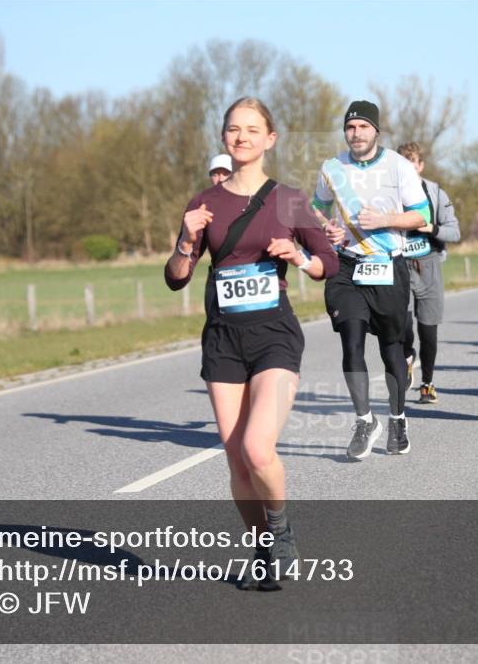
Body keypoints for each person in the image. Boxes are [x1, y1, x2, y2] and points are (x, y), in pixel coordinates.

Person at [165, 97, 338, 589]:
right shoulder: (205, 204)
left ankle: (282, 534)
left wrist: (299, 256)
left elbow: (329, 262)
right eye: (233, 129)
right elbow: (176, 278)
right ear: (224, 137)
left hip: (274, 337)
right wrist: (184, 239)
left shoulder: (289, 200)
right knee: (235, 457)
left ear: (269, 139)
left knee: (258, 448)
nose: (241, 137)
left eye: (251, 129)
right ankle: (263, 550)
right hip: (223, 337)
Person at [313, 100, 430, 458]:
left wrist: (384, 220)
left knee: (391, 349)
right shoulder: (332, 168)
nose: (356, 133)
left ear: (376, 131)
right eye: (350, 127)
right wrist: (328, 228)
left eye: (363, 127)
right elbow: (317, 206)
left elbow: (422, 217)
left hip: (387, 263)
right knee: (350, 340)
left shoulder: (397, 166)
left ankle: (397, 418)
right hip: (347, 265)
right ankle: (365, 420)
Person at [396, 141, 462, 404]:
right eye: (403, 164)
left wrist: (431, 228)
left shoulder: (435, 193)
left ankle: (427, 383)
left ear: (420, 165)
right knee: (401, 323)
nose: (409, 168)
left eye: (413, 163)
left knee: (428, 329)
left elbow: (455, 232)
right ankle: (407, 355)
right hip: (399, 266)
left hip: (429, 263)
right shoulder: (390, 195)